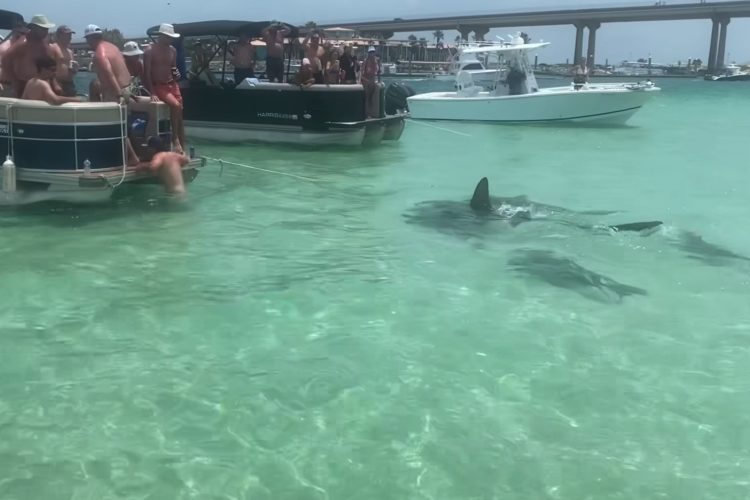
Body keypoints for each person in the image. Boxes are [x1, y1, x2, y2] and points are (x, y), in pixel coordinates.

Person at [85, 24, 140, 165]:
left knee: (117, 127)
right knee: (125, 125)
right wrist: (127, 93)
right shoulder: (113, 47)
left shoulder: (99, 54)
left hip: (117, 91)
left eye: (88, 40)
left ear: (90, 39)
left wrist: (119, 95)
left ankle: (132, 158)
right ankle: (136, 152)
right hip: (129, 87)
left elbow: (110, 76)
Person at [143, 23, 186, 154]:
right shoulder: (150, 50)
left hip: (172, 84)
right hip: (159, 85)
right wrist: (152, 92)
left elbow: (173, 69)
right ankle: (175, 139)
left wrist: (176, 74)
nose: (171, 40)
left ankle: (181, 146)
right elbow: (146, 73)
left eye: (171, 37)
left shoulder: (173, 50)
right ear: (161, 36)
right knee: (176, 106)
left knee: (180, 112)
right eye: (168, 37)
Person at [1, 15, 61, 98]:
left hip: (38, 85)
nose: (46, 32)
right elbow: (5, 61)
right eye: (43, 29)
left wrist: (54, 83)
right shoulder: (23, 43)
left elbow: (50, 65)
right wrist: (14, 82)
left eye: (47, 29)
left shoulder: (43, 44)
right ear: (33, 27)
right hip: (22, 85)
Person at [0, 22, 28, 97]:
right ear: (13, 31)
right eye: (21, 33)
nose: (23, 36)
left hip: (22, 87)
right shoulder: (4, 48)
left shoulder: (26, 48)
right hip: (5, 86)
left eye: (26, 34)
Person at [50, 25, 78, 97]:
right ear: (59, 35)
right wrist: (55, 84)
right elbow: (48, 68)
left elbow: (72, 69)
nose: (70, 37)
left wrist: (74, 70)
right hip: (57, 83)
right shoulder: (53, 48)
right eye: (67, 35)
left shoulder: (70, 52)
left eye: (70, 35)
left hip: (69, 84)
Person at [361, 46, 381, 118]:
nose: (372, 54)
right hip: (366, 81)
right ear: (368, 53)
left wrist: (379, 81)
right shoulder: (365, 61)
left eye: (373, 52)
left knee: (371, 98)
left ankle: (370, 113)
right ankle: (365, 114)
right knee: (367, 97)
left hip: (373, 81)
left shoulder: (376, 61)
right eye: (370, 52)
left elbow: (378, 72)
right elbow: (361, 74)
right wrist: (367, 81)